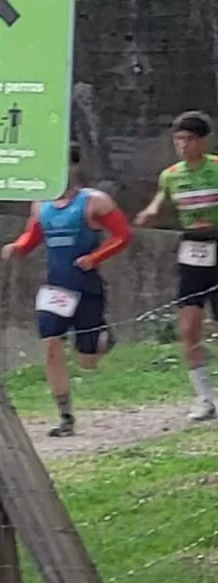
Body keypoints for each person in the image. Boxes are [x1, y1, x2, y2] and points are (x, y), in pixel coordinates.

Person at [0, 143, 132, 437]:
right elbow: (32, 236)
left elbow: (123, 235)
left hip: (85, 286)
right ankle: (65, 415)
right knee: (50, 343)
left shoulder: (94, 201)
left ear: (74, 167)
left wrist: (94, 258)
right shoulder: (41, 203)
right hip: (55, 287)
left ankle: (102, 338)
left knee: (87, 362)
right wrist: (16, 248)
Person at [135, 110, 218, 422]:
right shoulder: (171, 174)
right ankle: (204, 398)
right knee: (188, 327)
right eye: (178, 139)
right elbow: (162, 197)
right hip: (192, 248)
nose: (182, 145)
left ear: (202, 141)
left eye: (188, 139)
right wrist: (151, 211)